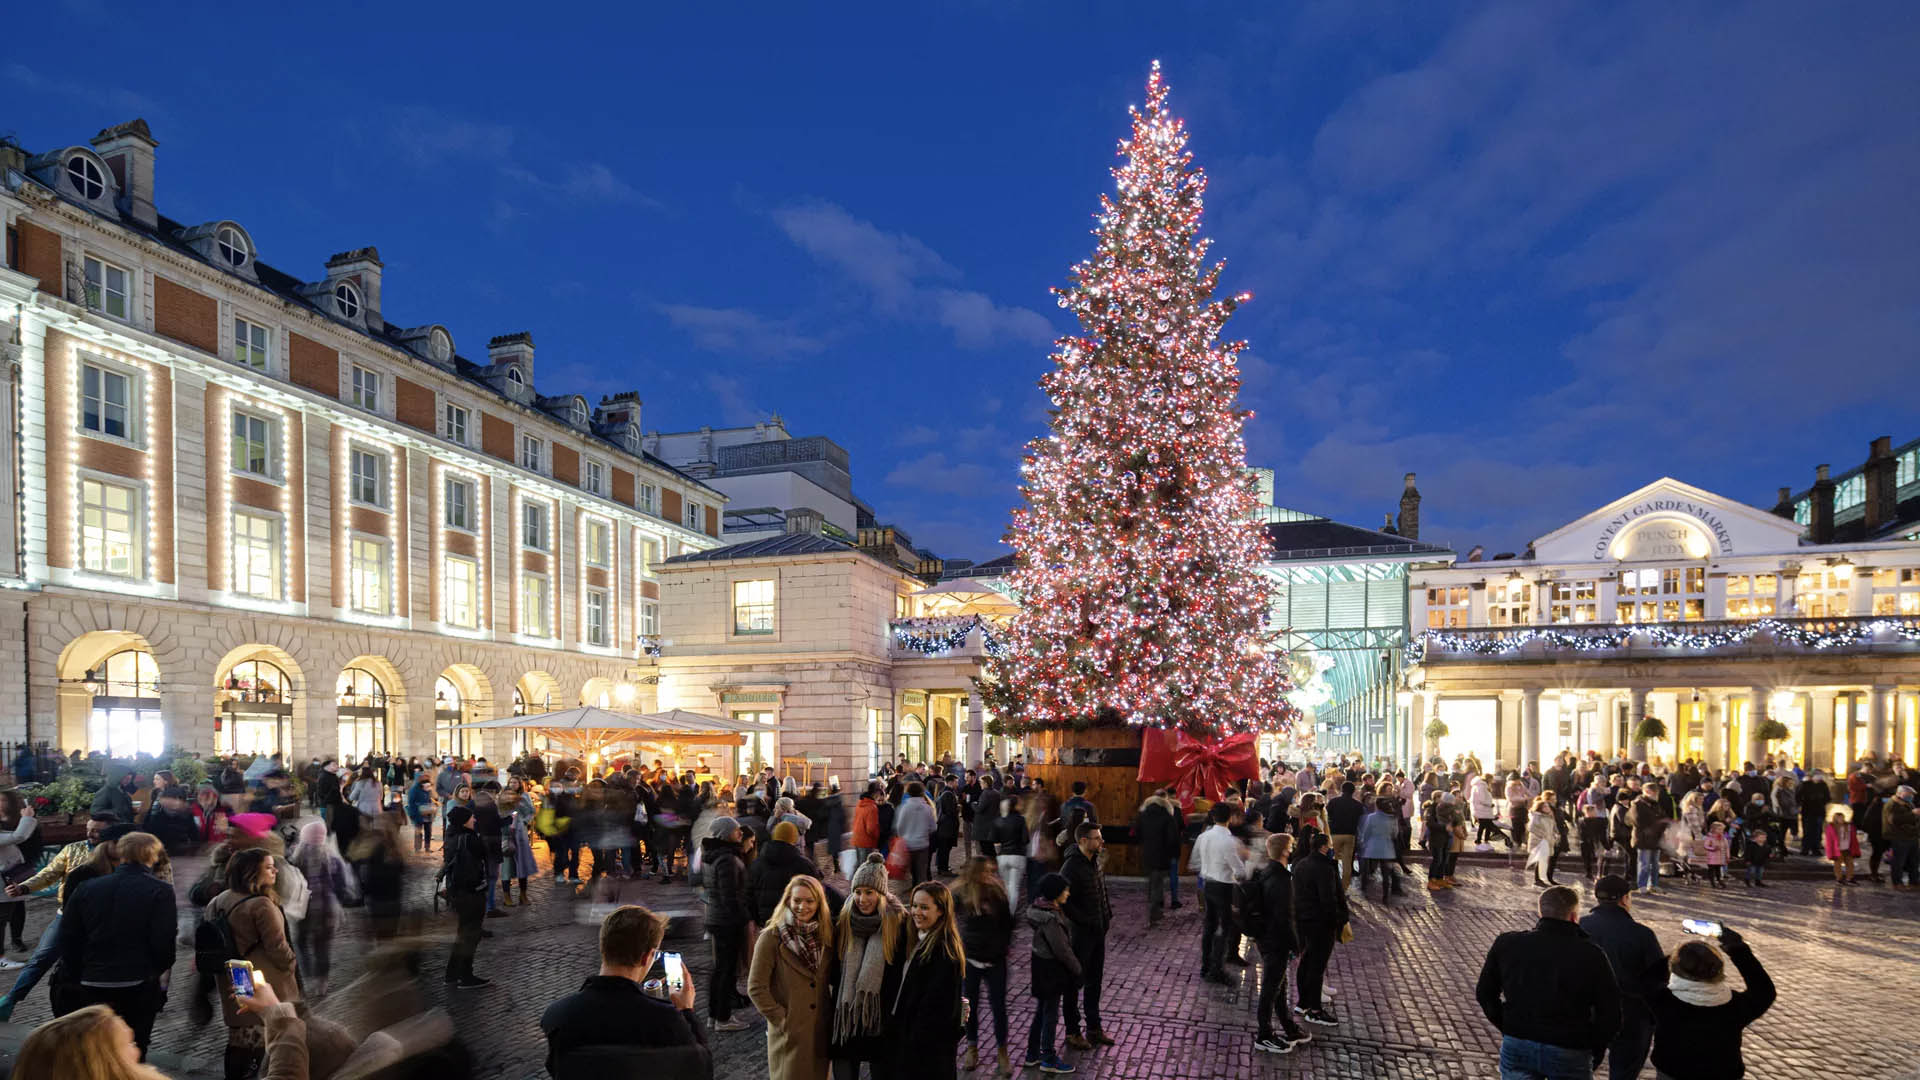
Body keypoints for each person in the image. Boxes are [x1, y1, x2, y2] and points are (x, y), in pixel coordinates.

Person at [541, 904, 709, 1080]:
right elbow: (700, 1068)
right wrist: (686, 1010)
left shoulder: (556, 1015)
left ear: (603, 946)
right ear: (647, 957)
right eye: (656, 955)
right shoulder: (664, 1018)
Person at [1475, 885, 1620, 1080]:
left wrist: (1508, 1025)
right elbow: (1610, 1012)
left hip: (1518, 1041)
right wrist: (1594, 1045)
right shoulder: (1591, 955)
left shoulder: (1508, 943)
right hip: (1569, 1046)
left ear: (1540, 911)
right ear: (1574, 916)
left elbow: (1485, 993)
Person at [52, 830, 174, 1058]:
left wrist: (78, 972)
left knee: (91, 1043)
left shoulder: (88, 887)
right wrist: (153, 973)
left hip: (91, 980)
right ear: (152, 856)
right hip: (136, 981)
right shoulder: (160, 890)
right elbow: (164, 943)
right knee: (135, 1043)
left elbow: (68, 935)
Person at [202, 846, 302, 1079]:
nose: (275, 870)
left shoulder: (218, 901)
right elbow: (278, 947)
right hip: (265, 978)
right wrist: (291, 965)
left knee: (240, 1034)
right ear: (251, 874)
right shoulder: (261, 905)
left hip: (236, 974)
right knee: (263, 1034)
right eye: (268, 867)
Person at [1644, 924, 1775, 1080]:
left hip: (1673, 1072)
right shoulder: (1735, 1006)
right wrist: (1738, 949)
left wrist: (1678, 956)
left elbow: (1648, 979)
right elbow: (1764, 990)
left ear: (1676, 970)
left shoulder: (1664, 1000)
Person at [748, 875, 834, 1080]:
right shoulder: (771, 937)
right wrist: (782, 1019)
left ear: (819, 903)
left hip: (819, 1030)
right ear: (788, 901)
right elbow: (756, 987)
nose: (802, 906)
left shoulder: (826, 935)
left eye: (809, 901)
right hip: (790, 1033)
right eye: (797, 900)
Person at [829, 853, 907, 1080]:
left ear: (881, 893)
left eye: (869, 892)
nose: (862, 899)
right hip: (847, 1015)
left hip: (880, 1017)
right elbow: (834, 969)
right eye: (858, 892)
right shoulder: (843, 921)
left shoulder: (898, 923)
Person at [1579, 876, 1664, 1080]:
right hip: (1631, 1014)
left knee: (1580, 1067)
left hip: (1586, 1009)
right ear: (1625, 899)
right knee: (1624, 1071)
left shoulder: (1580, 925)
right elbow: (1658, 978)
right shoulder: (1642, 934)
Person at [891, 882, 967, 1080]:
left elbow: (933, 1011)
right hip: (913, 1046)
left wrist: (909, 1044)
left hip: (925, 1055)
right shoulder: (917, 938)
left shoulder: (943, 953)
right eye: (914, 905)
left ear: (941, 911)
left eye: (924, 907)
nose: (916, 912)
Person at [1250, 833, 1310, 1055]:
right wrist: (1296, 945)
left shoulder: (1266, 873)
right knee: (1270, 987)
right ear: (1285, 850)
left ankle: (1287, 1026)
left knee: (1278, 985)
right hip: (1276, 940)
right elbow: (1284, 917)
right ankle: (1264, 1035)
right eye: (1291, 846)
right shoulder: (1282, 880)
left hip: (1265, 937)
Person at [954, 856, 1014, 1076]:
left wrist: (1003, 946)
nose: (989, 876)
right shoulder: (961, 894)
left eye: (990, 871)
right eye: (984, 872)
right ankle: (972, 1047)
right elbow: (947, 914)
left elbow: (1009, 923)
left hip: (996, 960)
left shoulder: (997, 894)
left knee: (999, 1007)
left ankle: (1002, 1052)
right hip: (970, 958)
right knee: (969, 1006)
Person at [1057, 822, 1111, 1052]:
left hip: (1098, 930)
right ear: (1082, 841)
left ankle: (1094, 1027)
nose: (1101, 842)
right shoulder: (1070, 867)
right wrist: (1083, 920)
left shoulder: (1094, 861)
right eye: (1096, 838)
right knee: (1074, 983)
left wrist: (1107, 914)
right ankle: (1072, 1031)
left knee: (1095, 981)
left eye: (1100, 837)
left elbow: (1101, 890)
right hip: (1081, 934)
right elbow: (1063, 901)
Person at [698, 815, 751, 1031]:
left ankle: (715, 1015)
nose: (740, 832)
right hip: (727, 921)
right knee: (726, 970)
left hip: (717, 918)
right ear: (725, 834)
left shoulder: (714, 855)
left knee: (720, 969)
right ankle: (723, 1018)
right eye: (736, 830)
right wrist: (741, 918)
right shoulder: (726, 859)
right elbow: (729, 895)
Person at [1024, 872, 1079, 1075]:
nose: (1068, 893)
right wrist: (1077, 969)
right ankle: (1048, 1057)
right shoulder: (1050, 919)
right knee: (1050, 1015)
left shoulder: (1040, 909)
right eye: (1065, 889)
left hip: (1040, 967)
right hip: (1051, 970)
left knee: (1041, 1012)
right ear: (1056, 893)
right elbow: (1062, 950)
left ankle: (1032, 1054)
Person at [1291, 831, 1346, 1028]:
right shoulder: (1324, 869)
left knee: (1306, 961)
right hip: (1320, 922)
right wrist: (1337, 920)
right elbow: (1328, 899)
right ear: (1323, 847)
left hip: (1304, 920)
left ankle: (1303, 1002)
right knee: (1316, 965)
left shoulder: (1301, 865)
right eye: (1329, 845)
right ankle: (1314, 1009)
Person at [1191, 803, 1244, 984]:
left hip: (1208, 884)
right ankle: (1217, 969)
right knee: (1224, 927)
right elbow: (1238, 868)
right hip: (1223, 886)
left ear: (1213, 817)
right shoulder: (1228, 841)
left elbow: (1194, 862)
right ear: (1229, 818)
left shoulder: (1203, 836)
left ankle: (1206, 966)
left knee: (1210, 926)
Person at [440, 805, 491, 988]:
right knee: (471, 934)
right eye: (471, 818)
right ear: (464, 821)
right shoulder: (469, 839)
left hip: (458, 892)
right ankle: (465, 976)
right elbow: (486, 853)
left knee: (463, 933)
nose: (474, 820)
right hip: (472, 891)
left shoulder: (451, 836)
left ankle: (452, 974)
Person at [0, 791, 41, 953]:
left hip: (17, 870)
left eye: (3, 800)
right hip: (4, 871)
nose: (0, 803)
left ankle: (16, 939)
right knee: (3, 914)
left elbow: (30, 841)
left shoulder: (19, 818)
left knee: (17, 906)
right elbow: (18, 836)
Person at [1135, 788, 1182, 925]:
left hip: (1147, 853)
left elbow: (1137, 832)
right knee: (1157, 882)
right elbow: (1172, 838)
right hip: (1162, 854)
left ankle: (1155, 908)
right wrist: (1174, 854)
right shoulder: (1167, 816)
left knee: (1152, 881)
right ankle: (1154, 911)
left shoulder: (1143, 815)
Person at [1357, 798, 1403, 901]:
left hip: (1372, 846)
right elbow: (1395, 834)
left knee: (1366, 868)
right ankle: (1385, 895)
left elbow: (1367, 832)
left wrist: (1363, 842)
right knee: (1385, 873)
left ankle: (1364, 888)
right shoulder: (1393, 818)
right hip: (1386, 847)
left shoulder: (1371, 817)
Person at [894, 781, 937, 886]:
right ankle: (920, 891)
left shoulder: (904, 807)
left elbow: (899, 827)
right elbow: (933, 827)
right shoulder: (927, 808)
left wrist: (904, 836)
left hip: (908, 844)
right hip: (922, 844)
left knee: (912, 871)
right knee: (921, 872)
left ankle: (914, 888)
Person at [1324, 782, 1362, 891]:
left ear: (1341, 789)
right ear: (1353, 791)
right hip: (1350, 835)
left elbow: (1328, 815)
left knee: (1332, 859)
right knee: (1347, 862)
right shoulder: (1358, 805)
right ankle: (1344, 888)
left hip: (1335, 834)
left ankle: (1332, 884)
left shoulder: (1333, 802)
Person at [1823, 810, 1860, 885]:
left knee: (1850, 863)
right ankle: (1839, 878)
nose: (1841, 819)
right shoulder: (1831, 827)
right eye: (1839, 818)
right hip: (1838, 849)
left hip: (1847, 848)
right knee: (1837, 864)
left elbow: (1853, 838)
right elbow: (1829, 841)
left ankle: (1850, 877)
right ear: (1835, 819)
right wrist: (1831, 851)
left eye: (1842, 818)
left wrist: (1855, 848)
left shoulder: (1849, 826)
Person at [406, 771, 437, 852]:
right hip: (418, 813)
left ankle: (427, 847)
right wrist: (414, 814)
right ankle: (417, 848)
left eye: (427, 778)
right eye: (424, 778)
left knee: (428, 831)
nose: (426, 779)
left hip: (428, 813)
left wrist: (431, 806)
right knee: (418, 831)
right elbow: (411, 802)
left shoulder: (427, 787)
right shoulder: (414, 789)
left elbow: (431, 798)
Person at [1701, 821, 1730, 888]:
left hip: (1720, 858)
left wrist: (1727, 856)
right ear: (1714, 829)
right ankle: (1712, 882)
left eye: (1722, 829)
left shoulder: (1723, 838)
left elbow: (1727, 847)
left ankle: (1719, 880)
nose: (1721, 831)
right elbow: (1705, 846)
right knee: (1711, 870)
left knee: (1718, 870)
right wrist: (1713, 848)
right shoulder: (1710, 837)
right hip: (1712, 858)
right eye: (1719, 829)